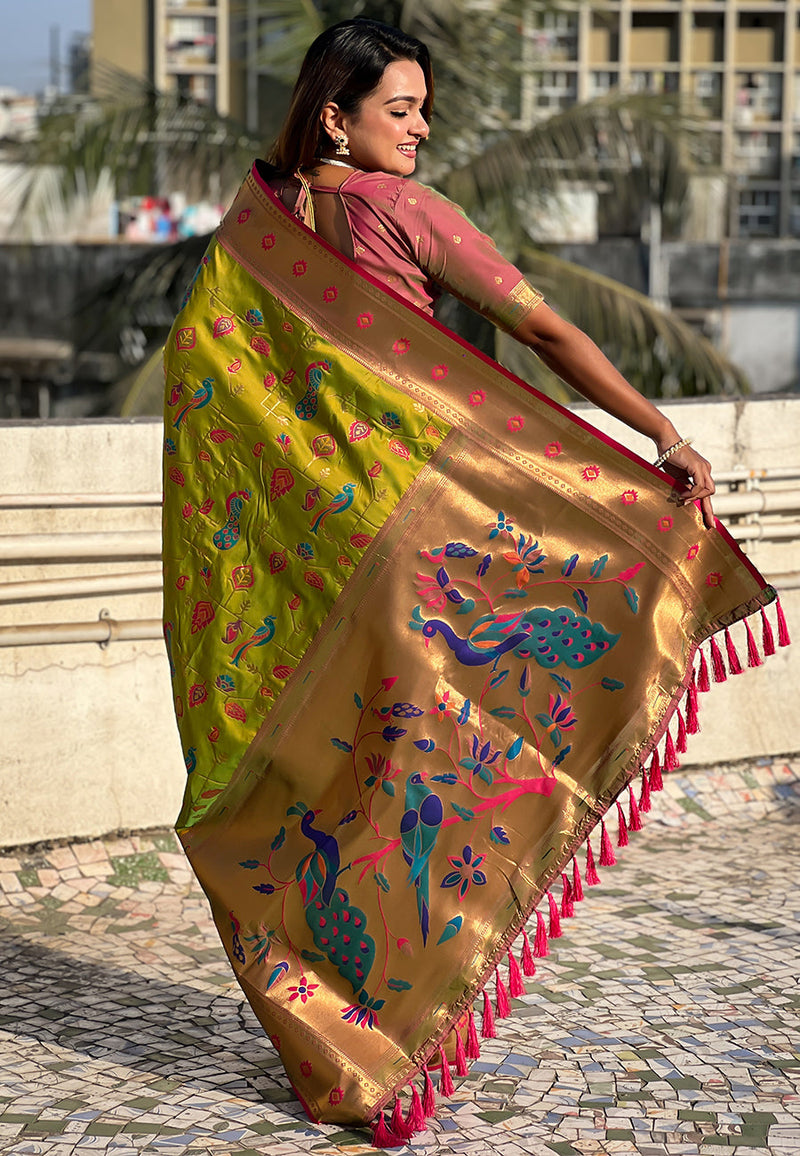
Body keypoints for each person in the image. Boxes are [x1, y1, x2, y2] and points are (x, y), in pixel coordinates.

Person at [161, 18, 781, 1145]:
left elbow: (215, 402)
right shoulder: (404, 211)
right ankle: (389, 1027)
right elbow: (537, 326)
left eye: (424, 110)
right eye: (399, 109)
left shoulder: (253, 237)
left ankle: (344, 1033)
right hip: (422, 539)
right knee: (438, 764)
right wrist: (655, 434)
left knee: (334, 786)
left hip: (309, 564)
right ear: (335, 117)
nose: (420, 129)